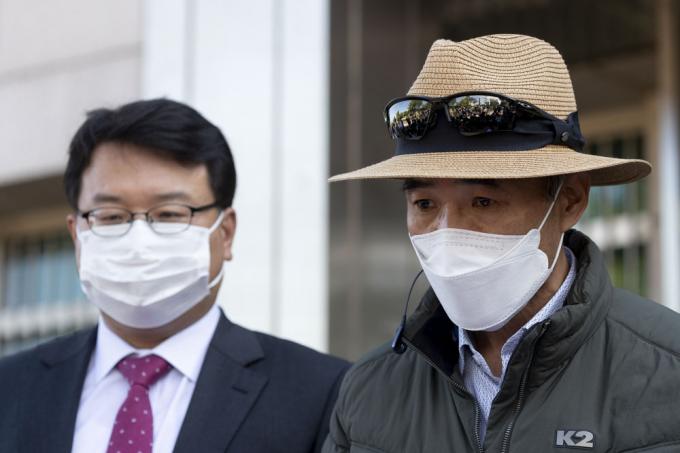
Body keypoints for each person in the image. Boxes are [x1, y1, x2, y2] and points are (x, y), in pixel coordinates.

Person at [322, 34, 680, 452]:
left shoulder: (666, 369)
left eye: (483, 201)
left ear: (569, 201)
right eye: (424, 204)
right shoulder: (370, 391)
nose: (448, 232)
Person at [0, 98, 349, 453]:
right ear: (77, 234)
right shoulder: (9, 388)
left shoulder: (324, 392)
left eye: (169, 213)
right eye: (111, 216)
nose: (139, 242)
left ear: (226, 233)